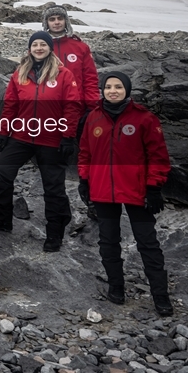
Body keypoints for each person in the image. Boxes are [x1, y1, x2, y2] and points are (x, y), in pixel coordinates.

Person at [78, 72, 173, 316]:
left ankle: (160, 296)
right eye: (108, 87)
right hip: (102, 190)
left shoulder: (145, 119)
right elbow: (85, 152)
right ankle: (116, 287)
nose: (112, 91)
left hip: (136, 191)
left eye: (118, 87)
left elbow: (158, 156)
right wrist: (84, 180)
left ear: (127, 90)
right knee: (108, 242)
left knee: (147, 243)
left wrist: (154, 188)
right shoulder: (93, 118)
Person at [0, 31, 83, 252]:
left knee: (53, 188)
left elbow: (72, 107)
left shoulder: (64, 74)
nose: (39, 48)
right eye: (34, 44)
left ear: (49, 48)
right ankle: (2, 219)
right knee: (0, 173)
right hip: (21, 136)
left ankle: (55, 234)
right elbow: (10, 106)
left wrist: (68, 136)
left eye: (43, 44)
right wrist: (3, 132)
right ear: (29, 49)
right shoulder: (20, 73)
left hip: (51, 138)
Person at [42, 5, 100, 110]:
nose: (56, 22)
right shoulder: (39, 47)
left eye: (60, 18)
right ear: (46, 23)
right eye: (52, 19)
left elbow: (90, 78)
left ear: (66, 21)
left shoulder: (81, 47)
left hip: (76, 105)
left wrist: (92, 105)